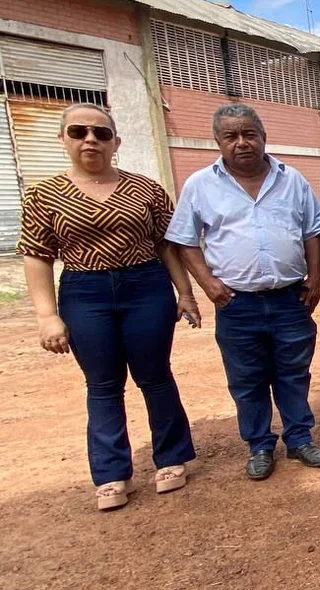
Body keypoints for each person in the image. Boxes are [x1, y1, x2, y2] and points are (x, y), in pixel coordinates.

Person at [18, 103, 200, 510]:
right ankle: (111, 473)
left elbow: (165, 246)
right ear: (63, 139)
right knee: (102, 385)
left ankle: (171, 458)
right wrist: (47, 316)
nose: (90, 140)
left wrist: (184, 293)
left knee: (155, 376)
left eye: (101, 134)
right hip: (85, 291)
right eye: (79, 132)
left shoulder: (146, 190)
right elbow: (37, 256)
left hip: (145, 286)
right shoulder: (43, 195)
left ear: (115, 142)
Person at [166, 104, 320, 481]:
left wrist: (316, 278)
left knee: (294, 373)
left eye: (249, 134)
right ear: (219, 142)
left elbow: (311, 233)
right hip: (236, 303)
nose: (241, 143)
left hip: (291, 298)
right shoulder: (200, 185)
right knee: (247, 378)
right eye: (231, 136)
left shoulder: (292, 181)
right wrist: (207, 284)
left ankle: (300, 438)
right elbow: (184, 241)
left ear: (263, 136)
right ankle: (259, 445)